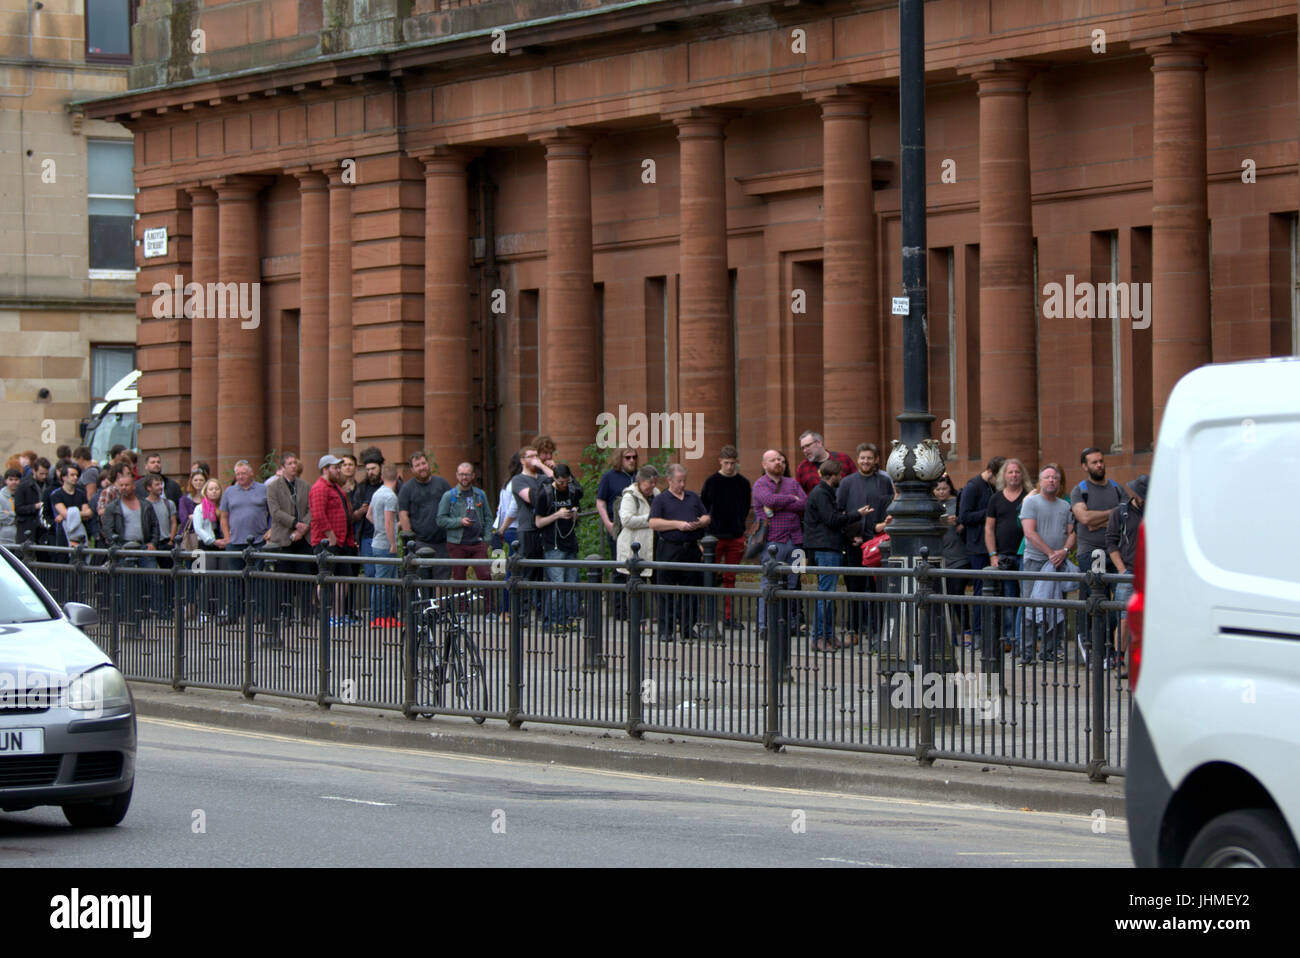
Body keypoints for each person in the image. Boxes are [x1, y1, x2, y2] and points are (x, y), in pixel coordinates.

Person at [836, 443, 895, 646]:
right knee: (855, 587)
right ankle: (853, 629)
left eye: (870, 458)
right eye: (862, 458)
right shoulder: (847, 483)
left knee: (877, 589)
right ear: (858, 459)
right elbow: (840, 513)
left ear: (876, 459)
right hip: (853, 544)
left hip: (877, 543)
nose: (866, 461)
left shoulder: (884, 482)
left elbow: (888, 509)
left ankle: (877, 632)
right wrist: (852, 535)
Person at [1019, 463, 1077, 664]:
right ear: (1040, 481)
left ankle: (1050, 650)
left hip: (1058, 563)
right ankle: (1027, 653)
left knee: (1056, 606)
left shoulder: (1065, 505)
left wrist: (1064, 552)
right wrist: (1051, 552)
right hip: (1035, 561)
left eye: (1055, 477)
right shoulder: (1031, 503)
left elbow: (1072, 533)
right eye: (1048, 477)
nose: (1052, 480)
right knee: (1030, 606)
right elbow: (1029, 532)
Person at [648, 464, 709, 639]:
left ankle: (687, 628)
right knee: (666, 591)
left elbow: (706, 516)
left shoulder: (692, 497)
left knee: (690, 590)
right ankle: (666, 630)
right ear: (669, 480)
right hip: (669, 547)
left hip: (690, 548)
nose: (682, 484)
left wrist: (700, 522)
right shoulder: (661, 499)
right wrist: (677, 525)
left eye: (684, 481)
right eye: (679, 481)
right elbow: (653, 523)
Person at [752, 449, 806, 644]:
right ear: (764, 464)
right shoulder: (760, 484)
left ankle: (790, 624)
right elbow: (768, 500)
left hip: (796, 540)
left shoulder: (793, 483)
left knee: (793, 585)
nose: (778, 463)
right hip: (771, 541)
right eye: (773, 460)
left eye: (781, 460)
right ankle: (764, 625)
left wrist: (779, 505)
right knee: (768, 583)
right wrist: (791, 499)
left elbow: (804, 504)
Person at [804, 459, 856, 651]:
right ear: (832, 475)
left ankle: (827, 636)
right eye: (839, 474)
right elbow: (832, 520)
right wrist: (856, 514)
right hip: (825, 548)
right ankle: (818, 638)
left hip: (827, 547)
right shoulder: (821, 494)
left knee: (828, 596)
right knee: (825, 595)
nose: (841, 478)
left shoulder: (825, 493)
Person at [983, 459, 1032, 657]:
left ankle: (1024, 640)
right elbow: (989, 528)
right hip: (1003, 555)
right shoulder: (995, 499)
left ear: (1022, 475)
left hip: (1025, 554)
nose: (1014, 475)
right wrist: (992, 554)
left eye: (1017, 472)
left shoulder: (1029, 497)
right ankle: (1011, 638)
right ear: (1004, 475)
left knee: (1025, 598)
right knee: (1009, 598)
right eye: (1010, 472)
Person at [700, 445, 750, 629]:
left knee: (730, 578)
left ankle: (728, 617)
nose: (730, 467)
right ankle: (707, 617)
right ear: (720, 461)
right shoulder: (712, 481)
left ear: (737, 462)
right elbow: (703, 507)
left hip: (735, 534)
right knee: (709, 576)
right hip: (714, 536)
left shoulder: (743, 483)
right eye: (726, 463)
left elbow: (745, 507)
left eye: (733, 463)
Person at [958, 456, 1006, 648]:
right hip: (977, 546)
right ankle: (978, 633)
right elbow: (964, 517)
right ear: (992, 473)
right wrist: (990, 511)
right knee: (980, 590)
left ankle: (994, 633)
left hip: (994, 545)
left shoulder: (992, 487)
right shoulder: (973, 486)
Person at [218, 459, 271, 628]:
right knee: (234, 579)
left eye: (243, 473)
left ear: (251, 473)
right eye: (238, 474)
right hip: (235, 542)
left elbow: (273, 512)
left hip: (258, 541)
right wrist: (227, 537)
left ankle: (258, 613)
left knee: (257, 578)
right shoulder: (229, 492)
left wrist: (270, 531)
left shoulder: (264, 489)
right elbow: (224, 516)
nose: (240, 477)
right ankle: (234, 613)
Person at [1106, 474, 1147, 677]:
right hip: (1128, 570)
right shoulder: (1120, 513)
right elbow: (1111, 542)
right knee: (1124, 618)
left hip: (1151, 573)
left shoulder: (1156, 511)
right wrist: (1121, 570)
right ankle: (1119, 660)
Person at [309, 454, 357, 626]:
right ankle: (325, 614)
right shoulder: (319, 488)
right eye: (335, 468)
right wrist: (331, 536)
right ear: (325, 469)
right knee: (326, 577)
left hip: (342, 541)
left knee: (343, 578)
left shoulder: (335, 487)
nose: (339, 470)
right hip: (327, 542)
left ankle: (338, 615)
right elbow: (318, 515)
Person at [509, 446, 555, 620]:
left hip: (545, 528)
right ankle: (523, 614)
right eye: (531, 457)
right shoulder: (518, 480)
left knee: (544, 574)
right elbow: (532, 498)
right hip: (528, 529)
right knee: (527, 572)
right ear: (522, 460)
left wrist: (545, 467)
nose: (535, 459)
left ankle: (543, 613)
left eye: (537, 456)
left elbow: (560, 483)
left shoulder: (543, 476)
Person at [537, 463, 583, 629]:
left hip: (570, 541)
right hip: (553, 544)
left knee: (571, 584)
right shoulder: (545, 494)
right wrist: (557, 515)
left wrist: (574, 513)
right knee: (557, 585)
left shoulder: (572, 491)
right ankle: (553, 620)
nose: (564, 485)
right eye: (560, 482)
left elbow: (577, 508)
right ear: (554, 479)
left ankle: (569, 619)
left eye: (567, 481)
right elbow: (538, 522)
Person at [398, 452, 453, 583]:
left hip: (442, 543)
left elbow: (453, 507)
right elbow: (403, 514)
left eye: (423, 463)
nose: (422, 467)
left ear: (428, 464)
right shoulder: (407, 488)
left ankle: (438, 604)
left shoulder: (442, 484)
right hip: (420, 543)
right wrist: (410, 541)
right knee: (422, 581)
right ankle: (424, 604)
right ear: (412, 469)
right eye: (417, 465)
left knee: (442, 580)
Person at [437, 462, 493, 585]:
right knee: (459, 579)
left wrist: (487, 540)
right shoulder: (449, 496)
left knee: (485, 576)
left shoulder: (480, 494)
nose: (464, 478)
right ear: (457, 475)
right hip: (457, 544)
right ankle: (462, 605)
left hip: (478, 543)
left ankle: (490, 605)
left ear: (473, 476)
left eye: (467, 474)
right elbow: (440, 520)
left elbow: (489, 518)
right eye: (461, 474)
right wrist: (459, 521)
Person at [616, 466, 659, 621]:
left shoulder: (656, 494)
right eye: (650, 483)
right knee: (635, 585)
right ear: (641, 482)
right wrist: (650, 519)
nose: (653, 486)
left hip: (652, 546)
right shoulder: (630, 496)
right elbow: (626, 520)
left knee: (657, 584)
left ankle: (662, 619)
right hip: (634, 548)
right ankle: (637, 620)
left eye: (655, 482)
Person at [366, 463, 402, 626]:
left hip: (376, 541)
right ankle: (381, 617)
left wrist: (378, 527)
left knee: (382, 581)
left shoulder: (377, 493)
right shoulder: (390, 497)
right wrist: (393, 542)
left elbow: (368, 515)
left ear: (382, 477)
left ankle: (383, 617)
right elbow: (389, 522)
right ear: (397, 477)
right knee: (385, 582)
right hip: (385, 544)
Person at [191, 477, 227, 621]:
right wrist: (213, 541)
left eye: (216, 489)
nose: (214, 492)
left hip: (223, 545)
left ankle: (221, 609)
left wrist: (225, 540)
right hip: (206, 546)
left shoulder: (224, 507)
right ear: (206, 491)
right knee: (206, 579)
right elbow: (198, 528)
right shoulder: (200, 508)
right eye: (211, 489)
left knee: (222, 579)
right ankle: (204, 610)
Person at [596, 448, 639, 563]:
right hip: (617, 525)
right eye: (628, 457)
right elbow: (600, 502)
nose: (632, 460)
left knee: (638, 563)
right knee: (619, 564)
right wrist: (608, 523)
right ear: (620, 459)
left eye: (634, 457)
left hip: (637, 525)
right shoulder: (609, 477)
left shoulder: (639, 476)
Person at [795, 431, 855, 496]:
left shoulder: (843, 459)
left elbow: (856, 483)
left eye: (807, 446)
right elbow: (799, 495)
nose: (805, 450)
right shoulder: (802, 468)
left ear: (819, 443)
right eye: (802, 448)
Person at [14, 457, 52, 545]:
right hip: (28, 527)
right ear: (34, 471)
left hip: (44, 528)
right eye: (41, 474)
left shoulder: (49, 484)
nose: (44, 477)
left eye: (46, 474)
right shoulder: (23, 485)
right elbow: (18, 508)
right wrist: (35, 506)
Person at [0, 468, 20, 545]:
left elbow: (22, 513)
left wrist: (10, 513)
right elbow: (1, 516)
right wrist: (15, 515)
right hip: (4, 536)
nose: (14, 482)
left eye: (16, 479)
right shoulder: (1, 496)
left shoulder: (22, 495)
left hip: (19, 535)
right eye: (11, 479)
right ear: (6, 481)